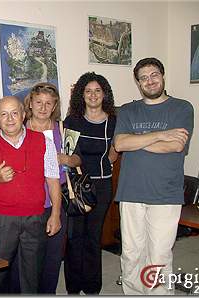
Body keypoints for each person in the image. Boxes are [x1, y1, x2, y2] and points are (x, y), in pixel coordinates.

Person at [114, 57, 194, 295]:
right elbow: (120, 143)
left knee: (159, 255)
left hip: (166, 193)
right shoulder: (128, 110)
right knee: (131, 253)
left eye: (154, 75)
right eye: (144, 78)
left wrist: (137, 140)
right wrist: (162, 134)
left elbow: (176, 146)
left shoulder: (182, 107)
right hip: (131, 192)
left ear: (163, 76)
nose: (150, 81)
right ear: (138, 83)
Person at [0, 96, 61, 293]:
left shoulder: (43, 142)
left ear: (23, 115)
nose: (9, 119)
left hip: (35, 218)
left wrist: (55, 215)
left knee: (32, 274)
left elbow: (53, 180)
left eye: (14, 113)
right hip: (0, 220)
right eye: (4, 114)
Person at [8, 82, 81, 294]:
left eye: (48, 103)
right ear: (30, 103)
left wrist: (64, 158)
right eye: (38, 102)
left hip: (55, 200)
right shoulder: (18, 127)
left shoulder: (61, 129)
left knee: (52, 256)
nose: (43, 107)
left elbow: (78, 159)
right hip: (26, 202)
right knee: (25, 257)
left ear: (55, 105)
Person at [63, 72, 118, 294]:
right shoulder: (73, 121)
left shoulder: (114, 121)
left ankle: (92, 287)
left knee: (93, 238)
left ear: (104, 93)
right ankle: (74, 287)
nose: (93, 95)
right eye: (88, 91)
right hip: (77, 187)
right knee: (75, 237)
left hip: (102, 186)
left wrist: (105, 163)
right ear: (81, 94)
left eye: (97, 90)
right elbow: (67, 153)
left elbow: (114, 151)